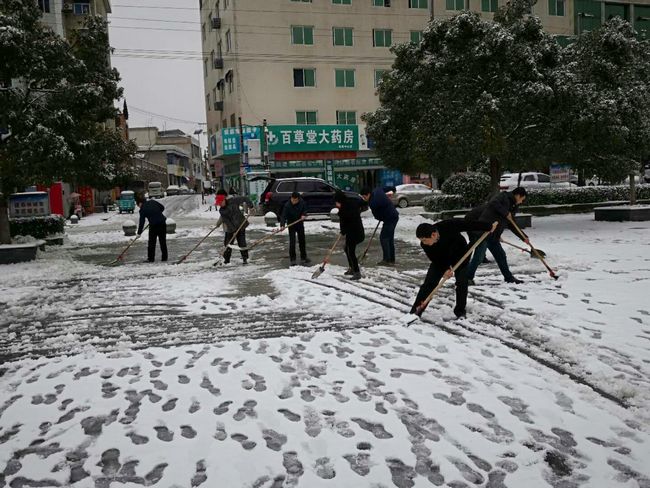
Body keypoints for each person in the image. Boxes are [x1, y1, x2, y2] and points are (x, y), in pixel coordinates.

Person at [411, 219, 498, 319]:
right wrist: (445, 269)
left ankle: (460, 311)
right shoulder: (425, 245)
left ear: (433, 235)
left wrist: (488, 226)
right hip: (441, 258)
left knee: (462, 283)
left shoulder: (448, 226)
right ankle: (415, 311)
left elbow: (468, 224)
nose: (423, 243)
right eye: (422, 240)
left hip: (460, 254)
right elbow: (435, 258)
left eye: (424, 240)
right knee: (429, 283)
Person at [465, 187, 529, 285]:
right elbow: (493, 203)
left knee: (501, 255)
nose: (521, 202)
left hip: (493, 233)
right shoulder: (503, 196)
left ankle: (509, 278)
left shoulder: (513, 207)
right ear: (518, 195)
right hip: (482, 229)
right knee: (479, 255)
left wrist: (523, 237)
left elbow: (511, 224)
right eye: (522, 199)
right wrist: (505, 212)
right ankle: (467, 278)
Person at [360, 186, 399, 266]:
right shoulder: (377, 190)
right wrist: (393, 189)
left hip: (389, 219)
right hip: (394, 216)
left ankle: (386, 260)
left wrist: (381, 216)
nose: (364, 199)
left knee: (384, 238)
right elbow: (385, 188)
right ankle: (391, 259)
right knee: (389, 239)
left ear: (368, 194)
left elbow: (377, 217)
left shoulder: (373, 203)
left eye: (364, 197)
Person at [335, 190, 365, 280]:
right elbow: (362, 202)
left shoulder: (344, 209)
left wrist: (343, 231)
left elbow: (345, 223)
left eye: (336, 201)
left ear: (339, 200)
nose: (336, 204)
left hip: (354, 233)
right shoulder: (351, 202)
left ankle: (356, 272)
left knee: (350, 251)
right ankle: (352, 268)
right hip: (356, 231)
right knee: (346, 248)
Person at [215, 189, 249, 264]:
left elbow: (246, 199)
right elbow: (226, 220)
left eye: (220, 202)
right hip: (230, 229)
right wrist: (232, 230)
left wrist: (252, 207)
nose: (219, 205)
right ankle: (226, 260)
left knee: (242, 243)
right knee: (227, 244)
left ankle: (245, 259)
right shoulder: (222, 210)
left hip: (240, 225)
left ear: (224, 198)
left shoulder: (233, 201)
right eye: (218, 203)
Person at [280, 191, 310, 266]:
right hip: (291, 224)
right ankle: (293, 259)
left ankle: (304, 257)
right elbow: (283, 216)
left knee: (302, 241)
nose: (293, 201)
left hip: (299, 223)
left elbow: (305, 210)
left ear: (298, 199)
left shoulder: (302, 202)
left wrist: (304, 214)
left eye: (295, 200)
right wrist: (282, 225)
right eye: (292, 200)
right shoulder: (287, 205)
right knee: (292, 242)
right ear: (291, 198)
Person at [136, 196, 168, 262]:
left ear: (140, 203)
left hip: (153, 226)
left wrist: (139, 233)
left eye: (138, 205)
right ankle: (164, 258)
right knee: (163, 241)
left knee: (152, 242)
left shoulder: (142, 209)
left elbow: (142, 222)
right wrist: (157, 214)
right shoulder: (152, 201)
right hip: (162, 223)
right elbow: (162, 207)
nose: (139, 207)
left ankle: (151, 258)